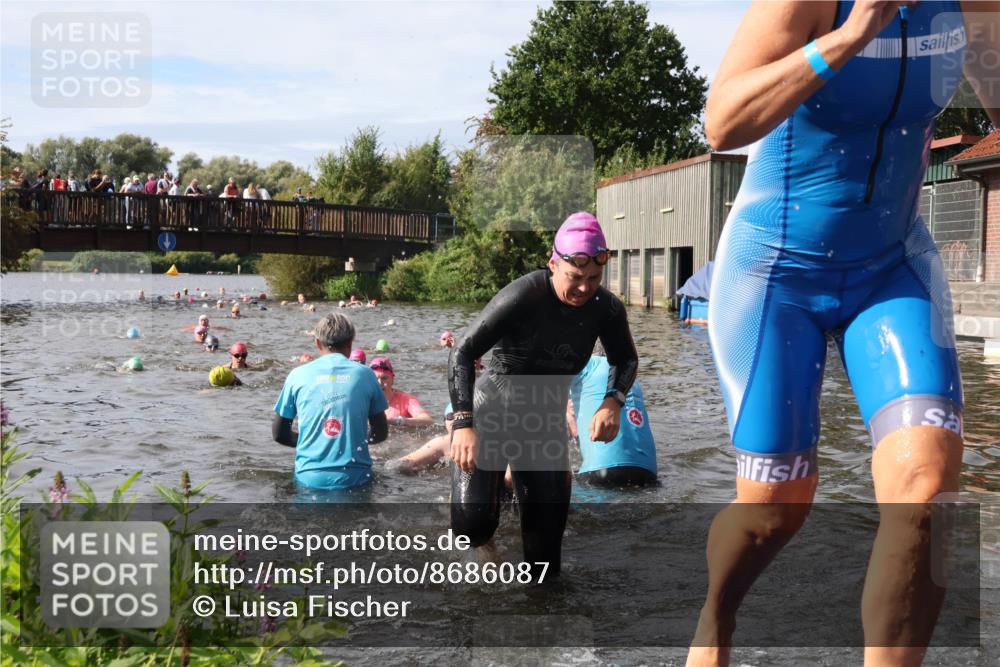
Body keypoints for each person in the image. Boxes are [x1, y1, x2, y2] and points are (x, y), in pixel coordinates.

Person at [686, 3, 1000, 667]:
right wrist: (851, 36)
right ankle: (715, 618)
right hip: (777, 272)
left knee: (927, 492)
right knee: (776, 512)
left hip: (892, 265)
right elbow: (723, 121)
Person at [449, 211, 638, 580]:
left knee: (544, 562)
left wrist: (612, 401)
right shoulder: (524, 294)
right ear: (553, 264)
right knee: (471, 528)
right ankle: (490, 523)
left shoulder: (607, 309)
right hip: (492, 415)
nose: (585, 288)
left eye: (594, 279)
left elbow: (626, 358)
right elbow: (462, 352)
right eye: (575, 277)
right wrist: (463, 423)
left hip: (544, 423)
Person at [272, 312, 389, 490]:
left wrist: (315, 441)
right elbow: (380, 433)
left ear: (317, 343)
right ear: (351, 343)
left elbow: (279, 434)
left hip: (309, 478)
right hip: (356, 479)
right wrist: (351, 440)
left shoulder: (297, 375)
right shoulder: (366, 375)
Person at [569, 355, 656, 487]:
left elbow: (573, 427)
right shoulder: (628, 374)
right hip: (647, 471)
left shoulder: (574, 367)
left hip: (601, 471)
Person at [369, 357, 433, 428]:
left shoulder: (407, 401)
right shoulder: (364, 401)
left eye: (384, 378)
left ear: (392, 380)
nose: (380, 383)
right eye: (375, 378)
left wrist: (398, 421)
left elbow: (428, 421)